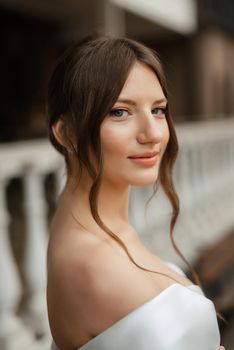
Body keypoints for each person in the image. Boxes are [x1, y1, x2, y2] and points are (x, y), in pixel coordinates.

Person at [46, 37, 225, 350]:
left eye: (158, 110)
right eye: (119, 112)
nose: (153, 133)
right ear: (66, 133)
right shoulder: (94, 267)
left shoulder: (90, 221)